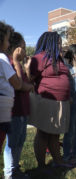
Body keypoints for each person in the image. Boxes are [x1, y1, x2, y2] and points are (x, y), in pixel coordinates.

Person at [28, 32, 72, 169]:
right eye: (58, 42)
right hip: (46, 101)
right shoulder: (40, 58)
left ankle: (58, 161)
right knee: (43, 134)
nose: (61, 45)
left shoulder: (59, 59)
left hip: (61, 102)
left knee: (55, 134)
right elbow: (29, 79)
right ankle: (41, 166)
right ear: (50, 43)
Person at [3, 31, 34, 179]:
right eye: (23, 46)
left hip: (23, 109)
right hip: (13, 111)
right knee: (12, 143)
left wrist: (26, 69)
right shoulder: (8, 63)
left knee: (20, 141)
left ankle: (15, 168)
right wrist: (16, 62)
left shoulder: (18, 65)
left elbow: (28, 84)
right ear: (16, 48)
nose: (25, 50)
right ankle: (10, 173)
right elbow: (19, 85)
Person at [0, 22, 23, 153]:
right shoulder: (2, 58)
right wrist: (16, 61)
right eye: (7, 40)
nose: (8, 44)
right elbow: (18, 84)